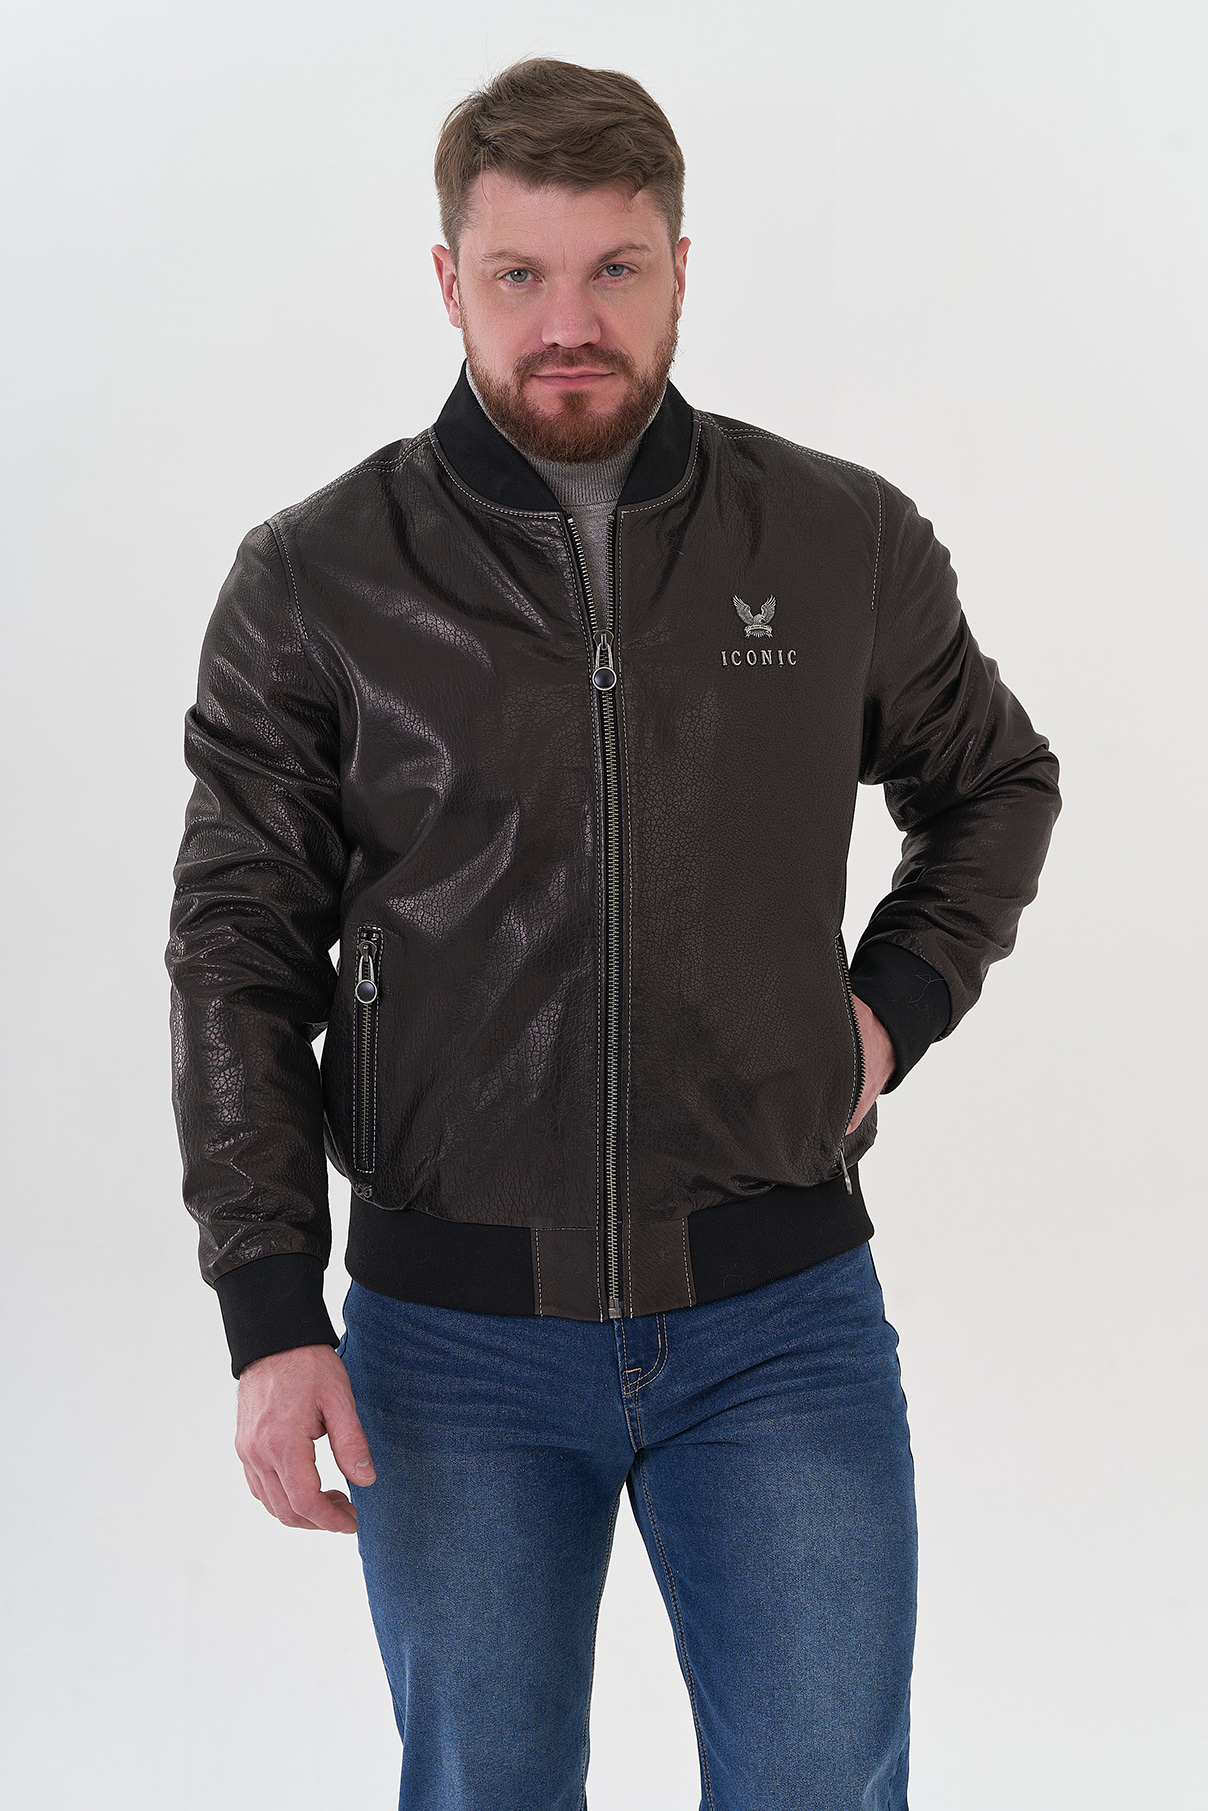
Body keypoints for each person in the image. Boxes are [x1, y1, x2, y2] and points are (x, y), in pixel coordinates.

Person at [166, 57, 1061, 1811]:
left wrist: (888, 1008)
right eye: (520, 274)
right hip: (452, 1345)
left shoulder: (837, 537)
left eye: (615, 270)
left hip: (781, 1320)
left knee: (822, 1785)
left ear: (680, 269)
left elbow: (995, 784)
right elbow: (236, 954)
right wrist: (269, 1310)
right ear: (450, 280)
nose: (568, 323)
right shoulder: (318, 579)